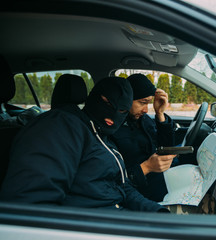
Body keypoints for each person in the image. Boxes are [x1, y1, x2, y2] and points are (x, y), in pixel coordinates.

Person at [0, 76, 175, 212]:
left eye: (122, 109)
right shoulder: (59, 126)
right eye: (108, 103)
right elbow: (31, 208)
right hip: (95, 224)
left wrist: (156, 213)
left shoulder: (101, 133)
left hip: (123, 210)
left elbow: (120, 185)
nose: (145, 110)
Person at [111, 73, 176, 202]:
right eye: (142, 103)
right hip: (140, 190)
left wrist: (160, 114)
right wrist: (147, 167)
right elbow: (115, 179)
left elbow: (165, 147)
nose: (146, 109)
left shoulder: (143, 119)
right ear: (127, 99)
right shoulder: (112, 128)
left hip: (161, 177)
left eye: (149, 103)